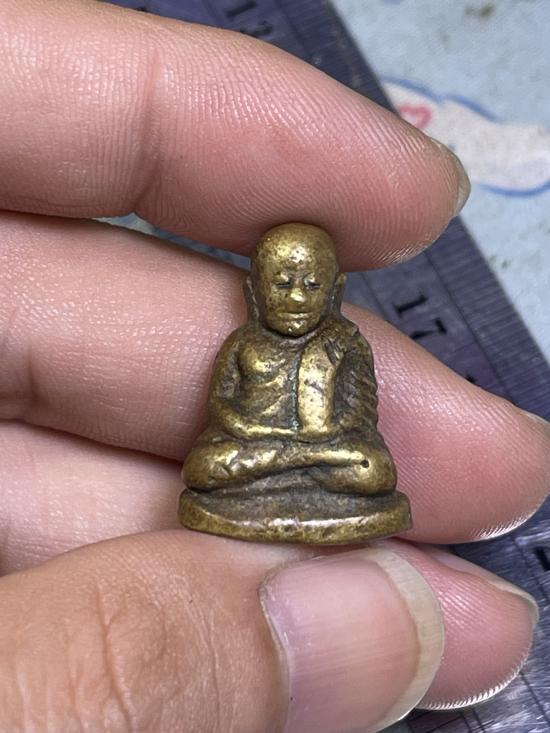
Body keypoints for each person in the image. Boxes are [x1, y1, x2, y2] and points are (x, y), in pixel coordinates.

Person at [0, 2, 547, 732]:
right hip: (256, 458)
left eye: (309, 283)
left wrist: (320, 448)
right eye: (280, 282)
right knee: (213, 466)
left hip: (326, 457)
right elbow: (226, 420)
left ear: (336, 291)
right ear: (254, 291)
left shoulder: (345, 344)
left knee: (369, 469)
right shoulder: (244, 346)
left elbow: (359, 423)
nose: (294, 295)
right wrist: (266, 447)